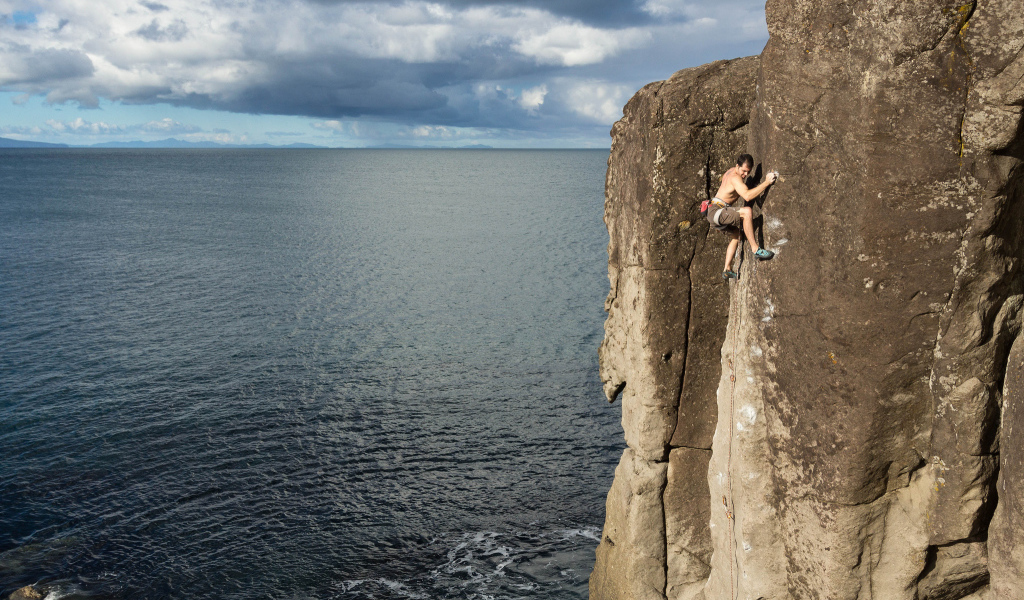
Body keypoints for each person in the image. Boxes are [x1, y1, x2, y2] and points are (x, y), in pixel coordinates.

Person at [706, 154, 777, 279]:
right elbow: (748, 196)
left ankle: (727, 269)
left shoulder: (730, 172)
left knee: (737, 235)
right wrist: (766, 183)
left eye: (747, 172)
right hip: (717, 211)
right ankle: (756, 250)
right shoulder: (735, 178)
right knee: (747, 211)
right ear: (737, 166)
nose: (744, 175)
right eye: (743, 171)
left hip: (713, 213)